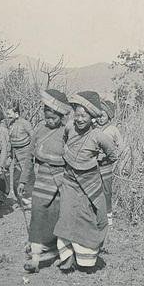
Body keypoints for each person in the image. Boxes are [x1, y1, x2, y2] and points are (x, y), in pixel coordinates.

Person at [53, 91, 118, 272]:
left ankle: (86, 260)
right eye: (78, 115)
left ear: (92, 117)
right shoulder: (69, 128)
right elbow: (65, 142)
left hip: (89, 182)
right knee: (66, 215)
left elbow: (113, 155)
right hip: (69, 180)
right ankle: (66, 257)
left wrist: (96, 162)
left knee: (86, 217)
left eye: (84, 116)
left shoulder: (100, 136)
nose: (80, 119)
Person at [21, 89, 71, 273]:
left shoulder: (67, 132)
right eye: (47, 117)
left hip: (60, 182)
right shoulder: (39, 130)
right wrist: (23, 180)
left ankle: (53, 252)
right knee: (37, 216)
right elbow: (29, 156)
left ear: (61, 117)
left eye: (54, 118)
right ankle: (35, 259)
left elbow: (72, 157)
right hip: (41, 181)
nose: (50, 121)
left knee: (54, 218)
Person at [97, 99, 124, 227]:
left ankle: (108, 216)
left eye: (103, 116)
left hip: (106, 164)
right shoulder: (93, 128)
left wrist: (112, 157)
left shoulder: (113, 130)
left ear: (108, 116)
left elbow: (121, 147)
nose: (100, 119)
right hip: (92, 164)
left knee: (106, 191)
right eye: (98, 116)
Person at [7, 103, 34, 210]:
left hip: (26, 155)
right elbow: (10, 141)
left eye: (10, 114)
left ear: (16, 114)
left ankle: (29, 203)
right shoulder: (11, 124)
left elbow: (33, 136)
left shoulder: (25, 123)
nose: (8, 115)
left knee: (27, 180)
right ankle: (20, 201)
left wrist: (32, 153)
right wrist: (9, 155)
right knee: (16, 180)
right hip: (16, 157)